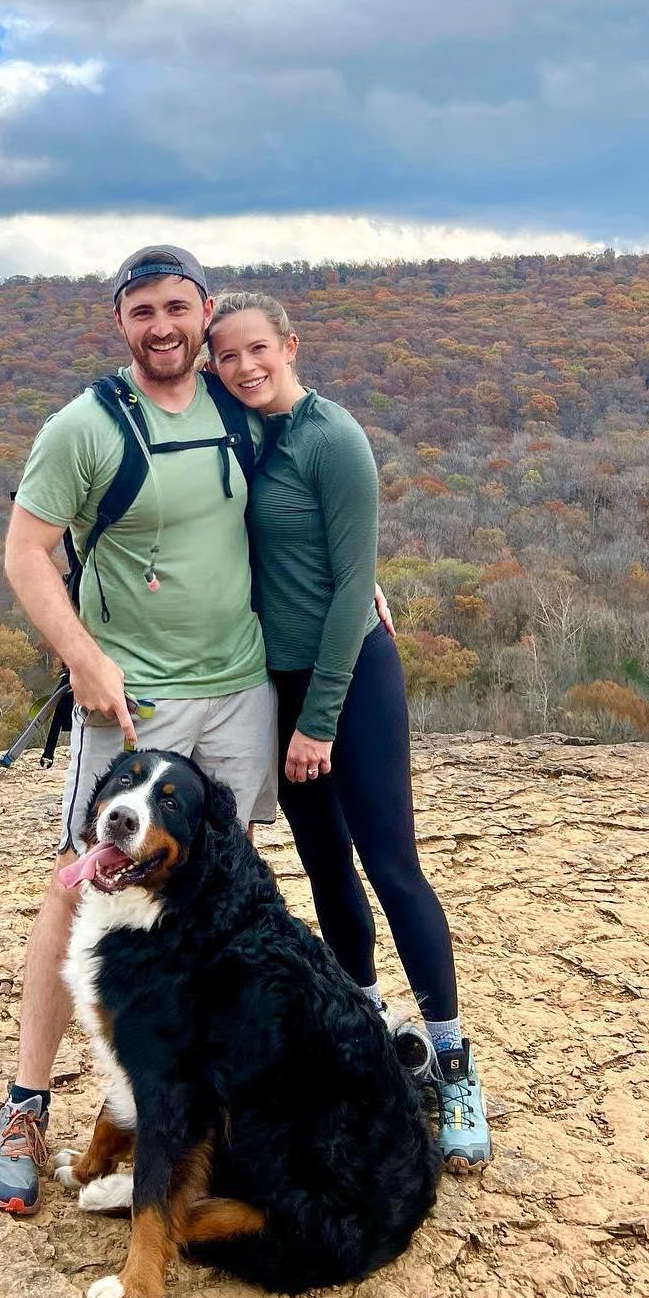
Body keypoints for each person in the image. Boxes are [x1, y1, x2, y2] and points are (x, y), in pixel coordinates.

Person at [0, 244, 282, 1214]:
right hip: (131, 702)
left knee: (216, 895)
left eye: (178, 307)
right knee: (83, 888)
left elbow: (295, 510)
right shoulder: (86, 427)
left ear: (205, 312)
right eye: (142, 309)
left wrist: (360, 581)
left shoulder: (241, 405)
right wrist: (80, 656)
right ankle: (27, 1106)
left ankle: (175, 1107)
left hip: (238, 689)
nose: (162, 326)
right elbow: (27, 551)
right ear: (122, 320)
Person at [206, 288, 492, 1171]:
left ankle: (450, 1059)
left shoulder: (334, 439)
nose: (246, 367)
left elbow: (347, 586)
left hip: (348, 680)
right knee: (326, 866)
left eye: (260, 349)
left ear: (291, 345)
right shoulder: (237, 430)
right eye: (229, 355)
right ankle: (364, 1026)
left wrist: (319, 720)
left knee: (391, 866)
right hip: (275, 681)